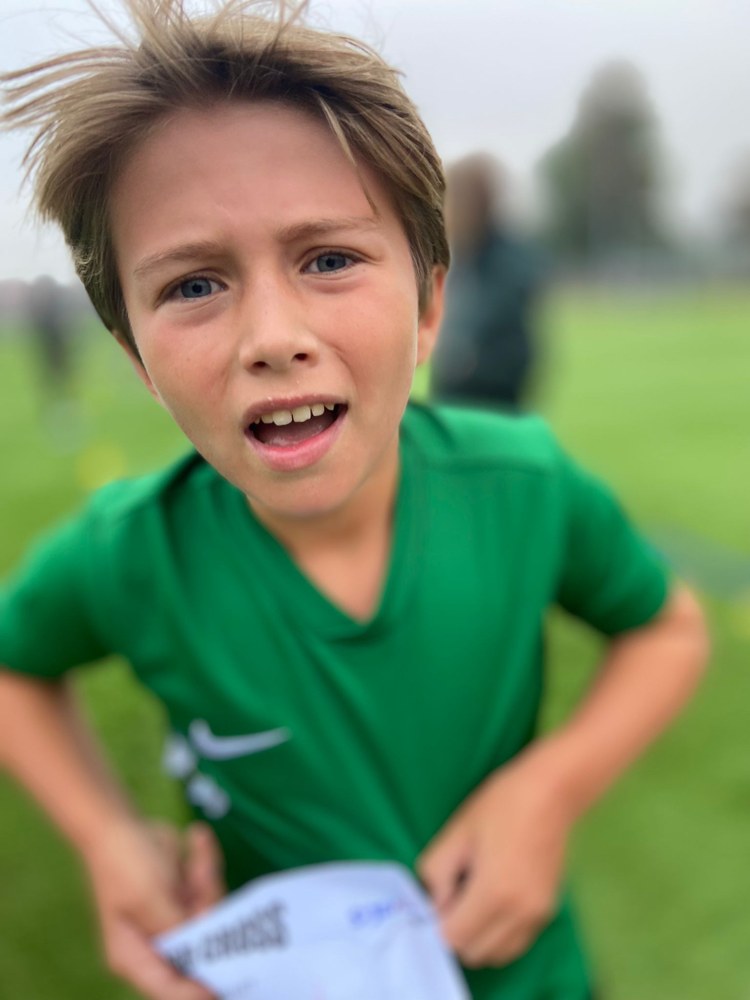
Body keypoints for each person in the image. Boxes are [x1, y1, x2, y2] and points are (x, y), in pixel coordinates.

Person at [0, 3, 708, 999]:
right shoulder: (131, 554)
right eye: (194, 285)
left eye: (329, 259)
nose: (272, 337)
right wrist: (106, 836)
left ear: (429, 306)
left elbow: (667, 629)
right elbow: (16, 669)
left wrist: (549, 789)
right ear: (139, 361)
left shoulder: (525, 486)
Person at [430, 153, 544, 410]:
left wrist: (463, 361)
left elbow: (515, 350)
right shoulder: (465, 257)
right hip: (457, 401)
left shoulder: (506, 263)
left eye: (452, 200)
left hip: (489, 402)